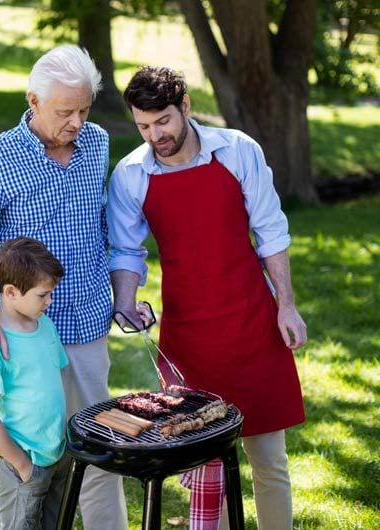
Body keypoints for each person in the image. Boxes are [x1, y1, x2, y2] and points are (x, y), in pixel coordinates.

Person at [107, 66, 307, 530]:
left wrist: (287, 305)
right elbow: (125, 248)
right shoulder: (131, 174)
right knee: (203, 469)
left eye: (163, 122)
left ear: (186, 108)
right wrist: (126, 301)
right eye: (143, 125)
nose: (155, 134)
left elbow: (271, 230)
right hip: (189, 335)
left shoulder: (238, 151)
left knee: (269, 459)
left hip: (253, 321)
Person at [0, 44, 128, 530]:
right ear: (33, 101)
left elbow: (105, 226)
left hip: (87, 318)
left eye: (84, 109)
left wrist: (124, 291)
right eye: (64, 111)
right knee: (31, 460)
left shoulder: (95, 143)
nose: (76, 122)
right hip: (26, 335)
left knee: (99, 449)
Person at [0, 237, 70, 530]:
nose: (49, 301)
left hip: (55, 453)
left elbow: (54, 381)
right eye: (43, 295)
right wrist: (24, 466)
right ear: (11, 292)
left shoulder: (46, 325)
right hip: (21, 464)